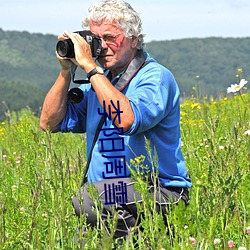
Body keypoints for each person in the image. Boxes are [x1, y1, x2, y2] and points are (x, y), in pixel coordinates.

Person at [40, 0, 192, 246]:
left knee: (89, 199)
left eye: (110, 37)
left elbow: (126, 121)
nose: (102, 47)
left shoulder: (154, 77)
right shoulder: (98, 83)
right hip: (110, 200)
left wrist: (90, 68)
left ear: (133, 39)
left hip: (160, 191)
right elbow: (49, 123)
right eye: (96, 39)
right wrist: (66, 70)